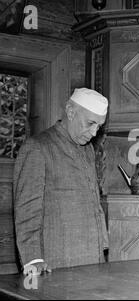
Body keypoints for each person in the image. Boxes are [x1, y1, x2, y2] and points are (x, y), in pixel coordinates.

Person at [13, 88, 109, 275]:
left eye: (99, 126)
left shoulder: (88, 150)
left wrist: (102, 247)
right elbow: (26, 211)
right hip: (57, 261)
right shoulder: (38, 148)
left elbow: (93, 202)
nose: (94, 132)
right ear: (70, 111)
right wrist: (33, 260)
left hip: (93, 259)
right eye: (90, 123)